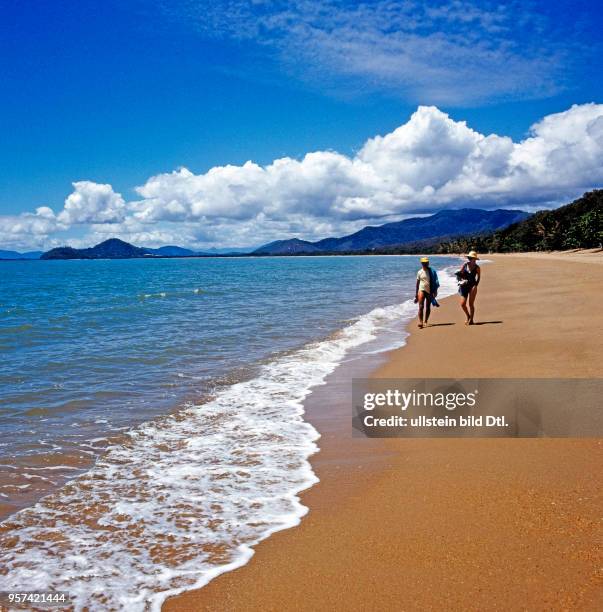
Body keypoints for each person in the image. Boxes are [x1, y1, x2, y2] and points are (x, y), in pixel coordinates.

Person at [457, 250, 481, 325]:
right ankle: (468, 316)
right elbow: (460, 274)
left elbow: (479, 277)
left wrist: (476, 285)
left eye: (472, 258)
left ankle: (471, 320)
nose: (470, 259)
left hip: (472, 286)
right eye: (469, 257)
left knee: (471, 304)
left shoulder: (477, 268)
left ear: (475, 259)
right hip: (464, 286)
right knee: (462, 304)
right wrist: (461, 280)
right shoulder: (465, 265)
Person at [414, 257, 438, 328]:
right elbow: (417, 284)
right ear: (421, 263)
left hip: (429, 291)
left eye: (426, 262)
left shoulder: (432, 271)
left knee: (428, 307)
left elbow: (435, 282)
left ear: (428, 263)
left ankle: (426, 321)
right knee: (421, 306)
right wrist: (416, 294)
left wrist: (435, 291)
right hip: (421, 290)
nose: (425, 264)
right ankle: (421, 322)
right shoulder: (419, 272)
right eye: (424, 263)